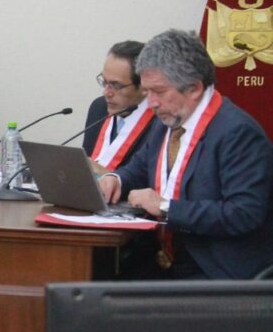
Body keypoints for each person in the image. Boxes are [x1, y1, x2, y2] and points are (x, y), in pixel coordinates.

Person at [99, 29, 273, 279]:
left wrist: (166, 207)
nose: (151, 103)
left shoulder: (238, 133)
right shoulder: (168, 119)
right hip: (165, 256)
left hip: (216, 269)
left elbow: (243, 213)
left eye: (159, 91)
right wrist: (116, 179)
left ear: (194, 89)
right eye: (147, 92)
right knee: (93, 279)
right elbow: (140, 167)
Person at [81, 40, 158, 172]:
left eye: (116, 85)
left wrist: (108, 176)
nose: (106, 92)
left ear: (143, 85)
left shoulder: (159, 123)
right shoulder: (98, 108)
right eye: (104, 82)